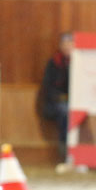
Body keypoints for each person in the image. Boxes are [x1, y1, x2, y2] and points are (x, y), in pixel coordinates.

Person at [38, 32, 73, 163]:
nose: (67, 47)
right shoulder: (54, 62)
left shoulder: (77, 62)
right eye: (65, 44)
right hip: (56, 103)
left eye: (70, 43)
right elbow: (49, 87)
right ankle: (65, 153)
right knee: (66, 113)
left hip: (73, 102)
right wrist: (62, 98)